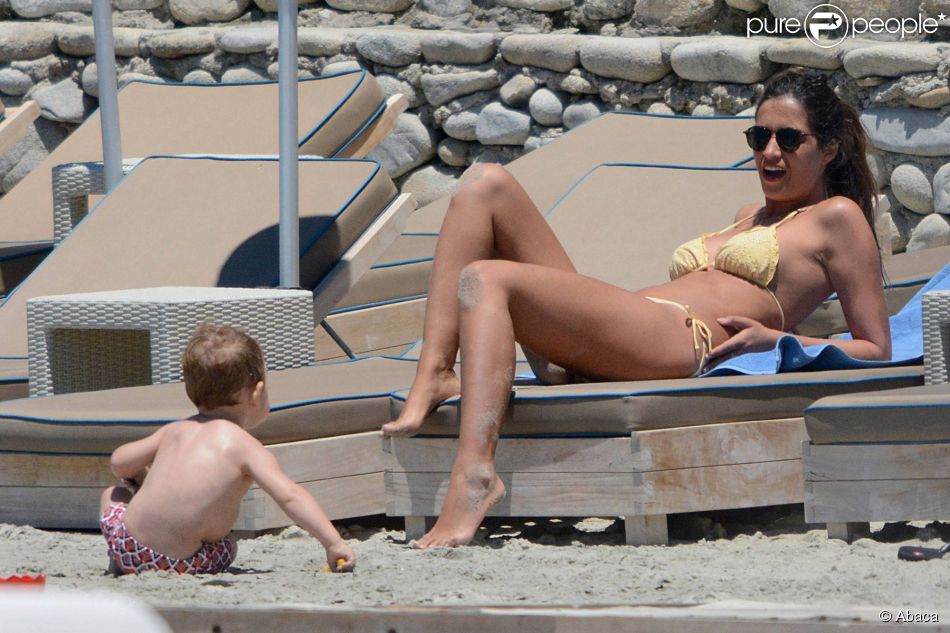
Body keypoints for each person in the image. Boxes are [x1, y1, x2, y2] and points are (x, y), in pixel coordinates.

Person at [381, 67, 891, 548]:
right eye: (759, 138)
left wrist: (781, 341)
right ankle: (437, 372)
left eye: (789, 139)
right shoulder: (747, 215)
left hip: (678, 340)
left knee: (486, 278)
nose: (770, 152)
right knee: (484, 184)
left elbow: (876, 347)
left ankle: (474, 475)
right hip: (629, 332)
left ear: (828, 149)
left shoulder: (837, 218)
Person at [99, 323, 356, 575]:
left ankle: (118, 563)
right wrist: (333, 542)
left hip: (128, 547)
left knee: (114, 493)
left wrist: (143, 479)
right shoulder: (246, 448)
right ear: (257, 393)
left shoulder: (175, 430)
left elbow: (120, 463)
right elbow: (290, 496)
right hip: (181, 563)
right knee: (228, 545)